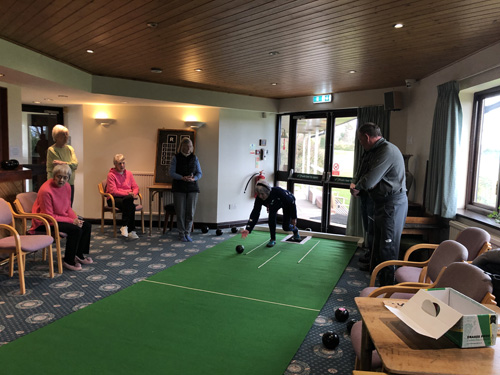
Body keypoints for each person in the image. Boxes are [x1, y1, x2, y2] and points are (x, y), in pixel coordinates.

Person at [350, 122, 408, 286]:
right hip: (381, 203)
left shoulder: (386, 150)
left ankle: (387, 289)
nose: (361, 144)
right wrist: (359, 184)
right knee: (377, 245)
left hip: (392, 204)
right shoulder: (373, 151)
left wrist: (359, 187)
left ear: (367, 137)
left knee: (387, 249)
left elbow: (369, 181)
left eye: (361, 141)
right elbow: (364, 174)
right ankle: (377, 284)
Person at [31, 164, 92, 271]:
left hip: (59, 218)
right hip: (44, 223)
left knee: (86, 225)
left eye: (65, 177)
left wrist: (76, 219)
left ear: (68, 178)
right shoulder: (46, 191)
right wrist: (72, 221)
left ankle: (78, 254)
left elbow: (67, 207)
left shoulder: (67, 186)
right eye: (59, 176)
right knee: (75, 230)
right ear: (54, 176)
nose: (61, 180)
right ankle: (68, 260)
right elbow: (49, 216)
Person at [241, 180, 300, 247]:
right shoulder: (259, 198)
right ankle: (273, 239)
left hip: (286, 203)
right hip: (273, 205)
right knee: (271, 219)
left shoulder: (278, 191)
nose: (260, 196)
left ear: (268, 191)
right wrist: (248, 228)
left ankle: (295, 230)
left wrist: (294, 217)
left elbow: (291, 202)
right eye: (258, 194)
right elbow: (255, 213)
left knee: (286, 227)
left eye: (262, 194)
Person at [169, 138, 202, 242]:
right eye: (187, 146)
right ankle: (181, 233)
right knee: (180, 212)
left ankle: (188, 233)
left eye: (190, 146)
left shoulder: (194, 158)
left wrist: (194, 178)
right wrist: (182, 177)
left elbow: (199, 173)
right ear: (182, 146)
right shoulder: (176, 157)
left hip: (192, 188)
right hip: (179, 188)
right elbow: (171, 172)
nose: (189, 148)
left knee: (190, 212)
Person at [105, 154, 140, 240]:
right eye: (119, 163)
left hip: (126, 199)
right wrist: (129, 193)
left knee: (129, 201)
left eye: (123, 163)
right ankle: (131, 230)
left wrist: (133, 194)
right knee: (130, 203)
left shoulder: (129, 174)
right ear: (115, 164)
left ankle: (124, 226)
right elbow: (114, 191)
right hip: (113, 199)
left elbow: (135, 187)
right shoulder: (111, 175)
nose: (122, 165)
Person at [47, 125, 78, 206]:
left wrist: (63, 163)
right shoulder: (52, 150)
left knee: (69, 206)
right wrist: (68, 164)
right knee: (59, 207)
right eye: (63, 135)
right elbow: (61, 169)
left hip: (70, 182)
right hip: (57, 183)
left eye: (67, 134)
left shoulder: (70, 149)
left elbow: (75, 164)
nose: (66, 137)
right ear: (56, 137)